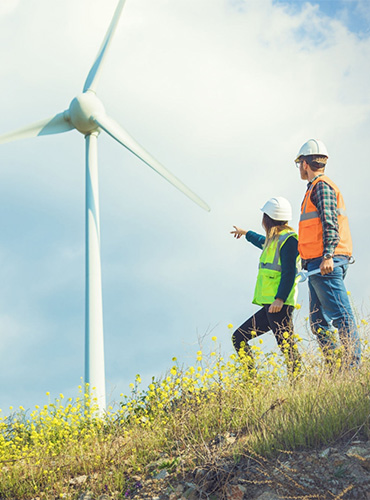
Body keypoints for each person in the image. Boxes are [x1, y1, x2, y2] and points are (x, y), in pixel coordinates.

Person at [295, 138, 361, 367]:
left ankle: (352, 369)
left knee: (341, 316)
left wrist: (328, 255)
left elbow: (329, 222)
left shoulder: (321, 186)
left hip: (326, 263)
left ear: (305, 163)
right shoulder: (316, 187)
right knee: (318, 322)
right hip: (317, 264)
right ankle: (335, 367)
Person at [230, 197, 301, 375]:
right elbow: (261, 241)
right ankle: (252, 381)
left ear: (267, 219)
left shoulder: (289, 240)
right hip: (271, 304)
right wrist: (246, 233)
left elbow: (289, 272)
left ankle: (298, 381)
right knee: (239, 337)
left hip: (279, 304)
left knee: (287, 347)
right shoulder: (274, 239)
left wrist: (280, 299)